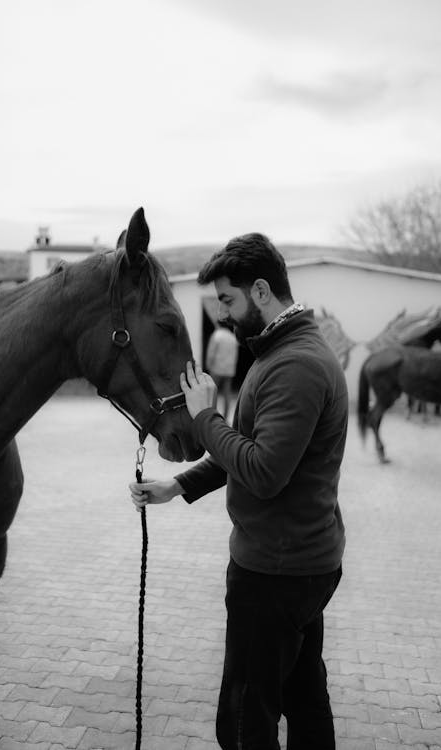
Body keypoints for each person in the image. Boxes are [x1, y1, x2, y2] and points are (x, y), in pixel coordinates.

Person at [129, 232, 347, 750]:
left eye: (227, 300)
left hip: (275, 575)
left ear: (263, 291)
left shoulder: (294, 365)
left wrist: (204, 417)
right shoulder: (282, 353)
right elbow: (248, 448)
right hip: (299, 565)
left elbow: (263, 471)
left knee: (246, 720)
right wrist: (179, 484)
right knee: (304, 699)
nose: (222, 313)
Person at [205, 323, 239, 419]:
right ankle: (226, 416)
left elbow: (211, 352)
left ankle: (211, 416)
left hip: (217, 368)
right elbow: (235, 354)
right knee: (227, 393)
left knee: (212, 393)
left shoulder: (217, 335)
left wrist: (208, 365)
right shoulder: (232, 337)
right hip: (229, 369)